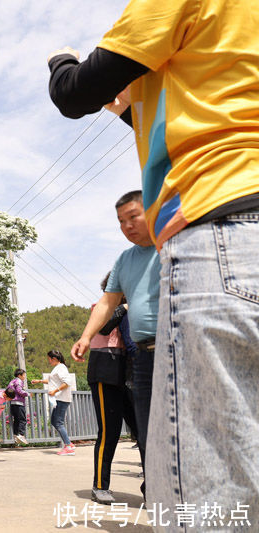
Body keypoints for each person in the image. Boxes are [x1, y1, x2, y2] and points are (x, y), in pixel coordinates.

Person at [48, 2, 259, 518]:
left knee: (205, 483)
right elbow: (200, 110)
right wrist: (130, 107)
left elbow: (76, 92)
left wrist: (61, 60)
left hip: (219, 224)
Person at [70, 191, 159, 497]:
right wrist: (84, 337)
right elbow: (105, 308)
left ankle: (159, 490)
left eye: (133, 216)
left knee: (154, 432)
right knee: (124, 432)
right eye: (121, 221)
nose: (127, 225)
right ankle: (101, 486)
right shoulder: (124, 262)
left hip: (159, 355)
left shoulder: (173, 246)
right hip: (122, 367)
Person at [81, 273, 140, 505]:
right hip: (105, 371)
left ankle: (152, 485)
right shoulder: (101, 307)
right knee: (109, 431)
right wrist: (125, 305)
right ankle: (99, 486)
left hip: (127, 373)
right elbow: (105, 328)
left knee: (141, 431)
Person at [32, 350, 74, 456]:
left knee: (58, 422)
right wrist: (39, 381)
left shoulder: (61, 368)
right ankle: (68, 443)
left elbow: (67, 382)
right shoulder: (58, 368)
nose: (49, 361)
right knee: (55, 421)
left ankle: (68, 446)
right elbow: (53, 381)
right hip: (59, 399)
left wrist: (55, 391)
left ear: (54, 359)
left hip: (62, 399)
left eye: (49, 359)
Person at [7, 369, 30, 445]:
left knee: (16, 420)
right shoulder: (19, 381)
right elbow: (20, 391)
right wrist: (27, 394)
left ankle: (15, 435)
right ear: (19, 375)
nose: (24, 377)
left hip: (13, 403)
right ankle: (21, 434)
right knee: (23, 419)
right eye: (24, 375)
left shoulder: (12, 381)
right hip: (19, 403)